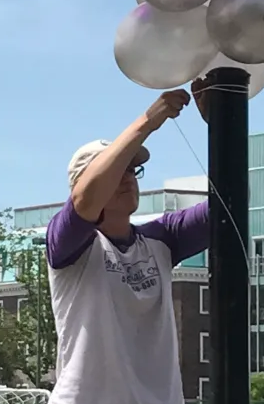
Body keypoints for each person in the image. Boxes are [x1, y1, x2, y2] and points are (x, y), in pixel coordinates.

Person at [45, 84, 210, 404]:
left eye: (132, 170)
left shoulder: (162, 238)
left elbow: (232, 206)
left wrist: (221, 124)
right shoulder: (68, 244)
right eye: (118, 170)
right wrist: (148, 121)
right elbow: (84, 200)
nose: (129, 178)